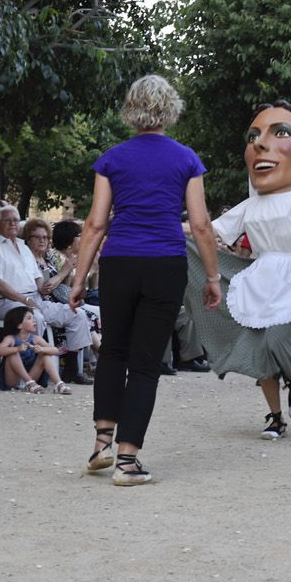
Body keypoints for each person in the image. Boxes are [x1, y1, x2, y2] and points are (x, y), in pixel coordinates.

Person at [67, 75, 222, 486]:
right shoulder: (186, 159)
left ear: (130, 110)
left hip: (119, 261)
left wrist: (79, 278)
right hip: (164, 263)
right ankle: (127, 462)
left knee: (113, 351)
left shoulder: (112, 159)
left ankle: (101, 445)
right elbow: (201, 225)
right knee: (146, 363)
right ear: (170, 109)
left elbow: (95, 224)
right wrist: (212, 277)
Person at [183, 101, 291, 442]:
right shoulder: (251, 205)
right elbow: (210, 228)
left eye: (280, 134)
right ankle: (276, 416)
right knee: (261, 352)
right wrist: (167, 226)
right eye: (254, 137)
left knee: (281, 340)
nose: (260, 144)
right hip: (260, 276)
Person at [0, 207, 95, 359]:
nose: (12, 224)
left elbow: (40, 285)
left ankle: (71, 365)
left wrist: (61, 278)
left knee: (76, 314)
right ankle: (30, 364)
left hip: (34, 300)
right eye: (7, 220)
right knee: (33, 317)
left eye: (15, 220)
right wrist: (25, 300)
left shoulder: (24, 248)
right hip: (7, 302)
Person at [0, 305, 67, 393]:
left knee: (44, 355)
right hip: (13, 380)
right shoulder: (10, 338)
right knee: (13, 353)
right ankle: (29, 383)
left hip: (32, 377)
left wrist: (42, 349)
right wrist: (17, 348)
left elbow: (55, 350)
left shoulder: (36, 339)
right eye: (29, 318)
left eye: (33, 318)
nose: (34, 320)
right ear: (19, 325)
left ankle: (58, 383)